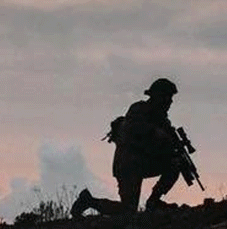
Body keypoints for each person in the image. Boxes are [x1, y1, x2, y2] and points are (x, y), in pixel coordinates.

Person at [72, 77, 183, 217]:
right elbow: (136, 129)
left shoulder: (162, 119)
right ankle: (88, 201)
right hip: (128, 165)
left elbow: (161, 146)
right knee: (128, 211)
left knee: (175, 164)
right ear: (158, 96)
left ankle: (153, 202)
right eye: (167, 97)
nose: (170, 102)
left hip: (143, 162)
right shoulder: (139, 109)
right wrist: (156, 132)